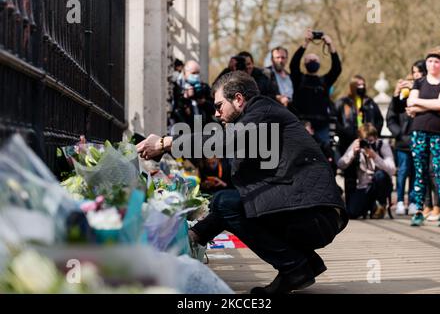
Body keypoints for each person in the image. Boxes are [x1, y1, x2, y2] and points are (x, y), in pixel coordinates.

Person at [137, 71, 348, 294]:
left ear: (238, 99)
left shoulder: (263, 111)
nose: (216, 114)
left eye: (219, 106)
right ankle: (303, 263)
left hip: (314, 215)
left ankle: (294, 267)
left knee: (226, 202)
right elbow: (239, 178)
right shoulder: (260, 117)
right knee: (227, 202)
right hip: (311, 212)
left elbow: (221, 143)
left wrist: (165, 143)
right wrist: (194, 235)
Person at [405, 47, 440, 227]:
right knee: (420, 170)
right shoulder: (419, 82)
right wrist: (435, 106)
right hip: (419, 131)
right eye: (430, 61)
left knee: (439, 170)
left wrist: (419, 106)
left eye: (437, 61)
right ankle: (419, 210)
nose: (433, 64)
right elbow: (410, 102)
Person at [335, 75, 384, 205]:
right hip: (348, 142)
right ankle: (351, 204)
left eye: (363, 85)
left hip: (367, 142)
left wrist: (372, 133)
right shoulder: (343, 102)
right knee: (350, 174)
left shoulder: (369, 102)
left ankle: (371, 204)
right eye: (358, 85)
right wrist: (348, 134)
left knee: (368, 172)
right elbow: (336, 122)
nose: (361, 87)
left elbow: (379, 120)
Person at [387, 60, 426, 215]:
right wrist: (397, 93)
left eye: (418, 72)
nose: (416, 75)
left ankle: (413, 201)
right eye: (414, 72)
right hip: (403, 141)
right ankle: (401, 202)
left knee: (417, 172)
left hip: (418, 138)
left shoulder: (424, 90)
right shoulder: (404, 92)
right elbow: (392, 115)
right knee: (402, 172)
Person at [289, 29, 342, 144]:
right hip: (302, 125)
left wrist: (330, 45)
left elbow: (337, 69)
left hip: (322, 127)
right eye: (310, 59)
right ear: (305, 63)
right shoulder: (298, 79)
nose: (312, 61)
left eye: (315, 59)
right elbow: (293, 64)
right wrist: (305, 43)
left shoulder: (324, 81)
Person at [337, 123, 396, 219]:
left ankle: (381, 204)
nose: (368, 144)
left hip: (380, 185)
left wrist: (375, 156)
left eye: (371, 141)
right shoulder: (357, 145)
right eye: (365, 141)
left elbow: (392, 170)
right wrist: (353, 152)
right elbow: (340, 164)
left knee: (380, 175)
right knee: (352, 213)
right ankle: (371, 206)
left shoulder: (382, 145)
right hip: (364, 186)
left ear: (376, 138)